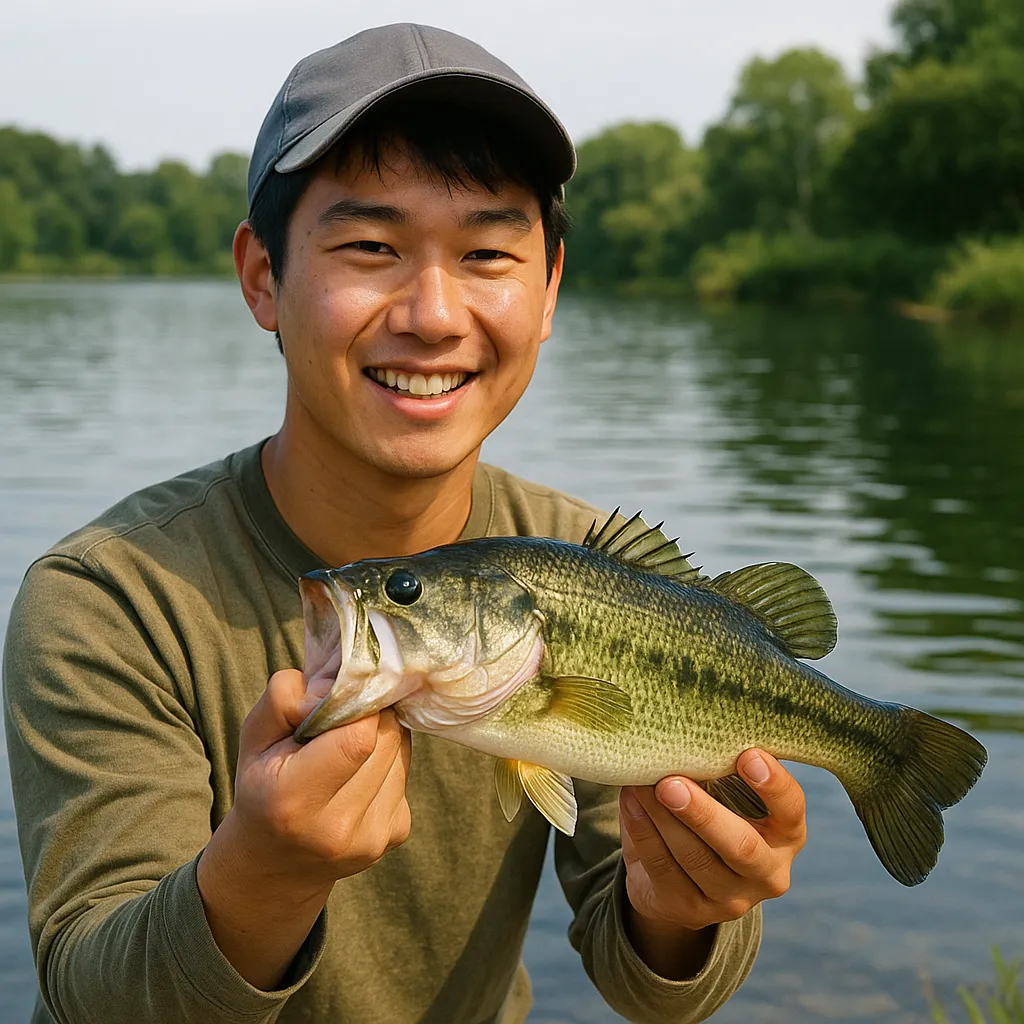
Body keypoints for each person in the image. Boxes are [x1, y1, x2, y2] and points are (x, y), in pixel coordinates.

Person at [2, 23, 807, 1024]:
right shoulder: (110, 599)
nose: (432, 311)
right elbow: (88, 991)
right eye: (371, 247)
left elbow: (648, 982)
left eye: (485, 251)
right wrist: (261, 878)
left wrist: (681, 905)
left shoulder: (579, 570)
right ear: (262, 278)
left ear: (549, 287)